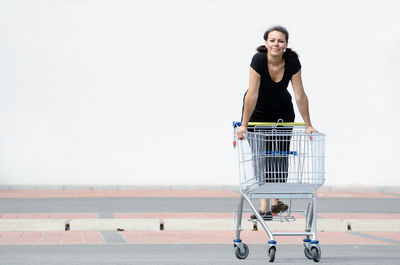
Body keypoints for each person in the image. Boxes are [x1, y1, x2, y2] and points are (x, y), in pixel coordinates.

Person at [237, 25, 317, 219]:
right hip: (257, 114)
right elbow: (252, 93)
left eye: (280, 41)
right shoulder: (258, 60)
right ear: (266, 43)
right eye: (272, 40)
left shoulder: (292, 61)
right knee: (261, 158)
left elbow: (300, 95)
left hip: (282, 114)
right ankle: (264, 206)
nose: (276, 44)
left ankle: (275, 201)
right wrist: (244, 124)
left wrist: (308, 124)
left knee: (279, 158)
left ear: (286, 44)